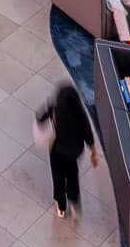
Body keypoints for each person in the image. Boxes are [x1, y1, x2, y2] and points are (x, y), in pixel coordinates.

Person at [38, 82, 97, 219]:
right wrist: (93, 152)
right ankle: (74, 202)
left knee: (58, 177)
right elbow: (88, 133)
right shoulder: (80, 115)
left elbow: (40, 117)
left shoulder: (56, 108)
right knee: (72, 176)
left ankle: (61, 206)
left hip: (57, 151)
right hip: (73, 153)